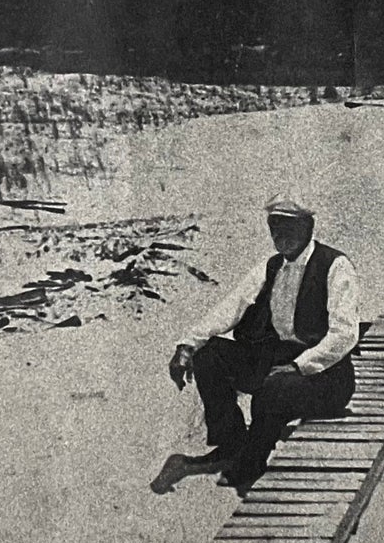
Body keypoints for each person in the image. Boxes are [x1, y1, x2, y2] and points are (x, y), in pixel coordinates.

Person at [151, 196, 359, 495]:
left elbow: (344, 334)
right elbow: (229, 309)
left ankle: (251, 464)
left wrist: (299, 367)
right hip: (279, 360)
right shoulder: (272, 266)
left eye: (288, 227)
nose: (280, 236)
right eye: (274, 227)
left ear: (308, 227)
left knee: (272, 391)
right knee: (210, 356)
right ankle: (231, 444)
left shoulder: (335, 266)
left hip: (327, 376)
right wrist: (187, 346)